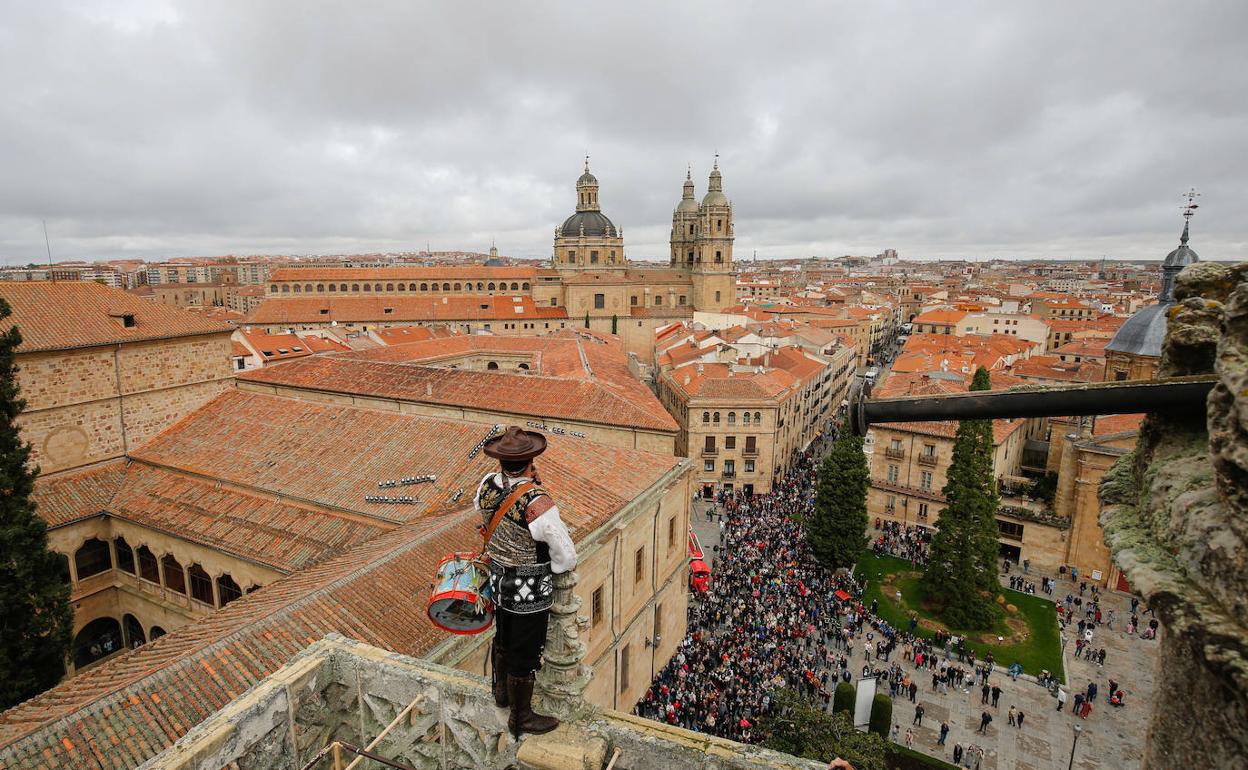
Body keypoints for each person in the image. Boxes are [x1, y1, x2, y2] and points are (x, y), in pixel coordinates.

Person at [476, 427, 578, 738]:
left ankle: (501, 693)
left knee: (503, 636)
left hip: (498, 580)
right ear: (530, 461)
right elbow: (566, 555)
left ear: (501, 462)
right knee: (525, 651)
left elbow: (481, 514)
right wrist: (553, 565)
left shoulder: (487, 485)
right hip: (528, 590)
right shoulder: (538, 502)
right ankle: (521, 718)